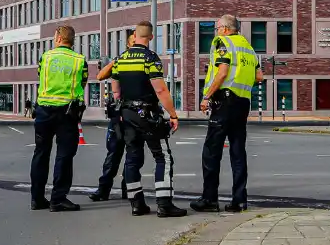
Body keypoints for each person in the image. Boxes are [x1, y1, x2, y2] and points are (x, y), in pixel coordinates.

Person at [111, 22, 186, 218]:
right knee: (162, 156)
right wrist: (173, 114)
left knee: (132, 158)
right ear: (151, 37)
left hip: (127, 113)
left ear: (134, 35)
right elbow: (160, 89)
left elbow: (116, 89)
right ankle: (164, 204)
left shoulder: (121, 58)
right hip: (148, 115)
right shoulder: (150, 58)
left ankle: (137, 204)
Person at [191, 15, 263, 213]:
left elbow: (222, 72)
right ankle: (239, 201)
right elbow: (259, 76)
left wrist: (206, 96)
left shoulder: (223, 43)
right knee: (238, 151)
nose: (216, 32)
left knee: (211, 151)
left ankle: (209, 199)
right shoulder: (248, 48)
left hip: (224, 101)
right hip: (243, 103)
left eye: (217, 28)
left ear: (224, 28)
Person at [30, 25, 89, 212]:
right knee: (64, 156)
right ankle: (58, 199)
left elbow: (40, 76)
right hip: (67, 113)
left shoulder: (45, 57)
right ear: (72, 40)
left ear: (58, 38)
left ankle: (37, 199)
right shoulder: (80, 60)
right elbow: (83, 81)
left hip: (44, 111)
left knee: (41, 154)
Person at [90, 34, 136, 202]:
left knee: (132, 155)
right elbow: (101, 76)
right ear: (128, 44)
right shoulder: (121, 61)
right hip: (119, 115)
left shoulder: (146, 59)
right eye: (132, 41)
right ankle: (104, 190)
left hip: (134, 114)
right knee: (113, 154)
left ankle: (128, 189)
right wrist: (115, 61)